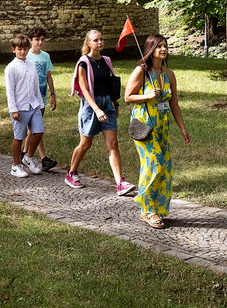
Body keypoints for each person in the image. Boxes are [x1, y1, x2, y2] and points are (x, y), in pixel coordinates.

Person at [124, 34, 190, 229]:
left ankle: (158, 208)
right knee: (155, 164)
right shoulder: (141, 71)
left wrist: (182, 128)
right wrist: (147, 95)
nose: (163, 50)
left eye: (165, 46)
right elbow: (127, 97)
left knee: (165, 168)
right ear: (150, 50)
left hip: (163, 127)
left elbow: (174, 104)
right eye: (159, 46)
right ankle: (147, 209)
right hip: (145, 128)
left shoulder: (169, 74)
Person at [64, 29, 135, 196]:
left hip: (107, 104)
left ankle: (120, 182)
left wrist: (115, 103)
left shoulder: (106, 61)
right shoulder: (83, 63)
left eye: (101, 39)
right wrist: (96, 109)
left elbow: (110, 84)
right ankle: (71, 173)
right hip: (91, 106)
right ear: (88, 43)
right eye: (96, 40)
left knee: (113, 144)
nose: (100, 42)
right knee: (85, 144)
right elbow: (84, 89)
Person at [5, 34, 46, 178]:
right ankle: (15, 165)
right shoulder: (11, 68)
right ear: (14, 50)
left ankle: (28, 157)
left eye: (25, 49)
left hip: (33, 104)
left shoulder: (31, 65)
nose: (22, 52)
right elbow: (10, 90)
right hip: (20, 107)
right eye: (19, 49)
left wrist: (40, 104)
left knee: (38, 131)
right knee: (19, 137)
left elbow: (36, 87)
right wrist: (13, 109)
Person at [26, 27, 57, 171]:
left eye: (42, 40)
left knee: (34, 129)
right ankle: (41, 157)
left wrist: (53, 94)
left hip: (42, 96)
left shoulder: (46, 56)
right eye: (37, 39)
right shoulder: (26, 57)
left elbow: (49, 76)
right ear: (30, 40)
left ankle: (26, 154)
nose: (40, 42)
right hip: (30, 97)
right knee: (36, 128)